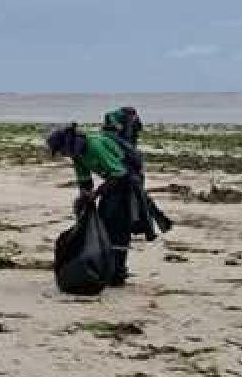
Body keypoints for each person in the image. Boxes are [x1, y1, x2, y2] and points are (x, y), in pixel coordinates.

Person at [46, 123, 134, 285]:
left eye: (61, 150)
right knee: (104, 222)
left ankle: (118, 271)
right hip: (112, 181)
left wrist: (96, 194)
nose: (63, 154)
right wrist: (84, 201)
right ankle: (109, 268)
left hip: (127, 180)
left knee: (116, 223)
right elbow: (85, 182)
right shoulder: (77, 154)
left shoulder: (94, 145)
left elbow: (119, 173)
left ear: (67, 144)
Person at [101, 107, 172, 237]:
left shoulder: (121, 125)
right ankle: (154, 220)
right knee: (138, 193)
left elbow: (129, 145)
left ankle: (146, 222)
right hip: (128, 159)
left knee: (136, 193)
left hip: (129, 160)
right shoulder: (119, 123)